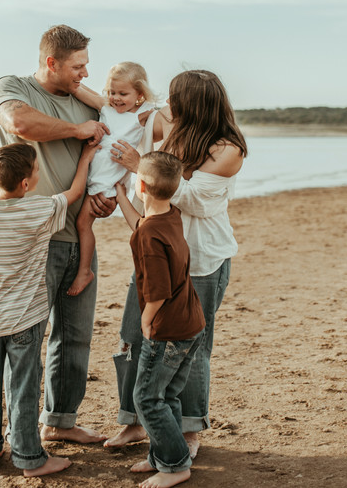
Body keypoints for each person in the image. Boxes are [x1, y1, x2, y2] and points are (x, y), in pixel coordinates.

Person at [105, 70, 247, 460]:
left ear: (192, 103)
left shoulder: (227, 149)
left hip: (201, 260)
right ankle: (133, 420)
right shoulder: (171, 125)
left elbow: (195, 201)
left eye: (174, 98)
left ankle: (189, 429)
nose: (168, 104)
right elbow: (124, 106)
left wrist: (141, 166)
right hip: (155, 250)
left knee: (192, 348)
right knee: (133, 334)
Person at [0, 24, 116, 444]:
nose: (84, 73)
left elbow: (107, 159)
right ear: (51, 62)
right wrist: (78, 130)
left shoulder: (89, 105)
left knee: (75, 336)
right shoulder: (15, 88)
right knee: (25, 338)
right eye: (77, 66)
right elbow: (20, 123)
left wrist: (106, 199)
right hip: (29, 241)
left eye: (86, 65)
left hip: (78, 236)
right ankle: (18, 431)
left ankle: (60, 421)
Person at [0, 141, 96, 476]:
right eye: (37, 170)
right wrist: (86, 156)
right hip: (26, 318)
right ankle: (30, 458)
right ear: (27, 183)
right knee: (24, 386)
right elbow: (74, 193)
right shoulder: (39, 210)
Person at [113, 151, 205, 488]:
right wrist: (122, 197)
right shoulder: (171, 215)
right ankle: (160, 455)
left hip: (168, 328)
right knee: (167, 396)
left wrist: (147, 322)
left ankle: (176, 465)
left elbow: (158, 291)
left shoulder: (149, 235)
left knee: (147, 398)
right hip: (191, 321)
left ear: (141, 185)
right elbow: (141, 223)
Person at [67, 62, 157, 296]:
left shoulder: (143, 114)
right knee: (80, 221)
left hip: (107, 183)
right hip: (93, 174)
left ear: (139, 94)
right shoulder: (106, 107)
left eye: (123, 94)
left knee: (82, 224)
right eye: (112, 92)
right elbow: (78, 90)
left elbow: (168, 113)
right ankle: (83, 269)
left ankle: (84, 271)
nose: (116, 98)